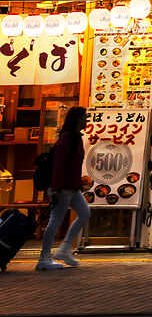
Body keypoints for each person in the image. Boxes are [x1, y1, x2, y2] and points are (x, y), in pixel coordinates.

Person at [33, 105, 91, 271]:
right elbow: (59, 165)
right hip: (62, 188)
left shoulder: (76, 138)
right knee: (55, 221)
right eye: (85, 117)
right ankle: (44, 258)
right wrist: (55, 187)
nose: (86, 121)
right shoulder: (67, 139)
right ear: (78, 119)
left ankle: (64, 249)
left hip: (72, 187)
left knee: (84, 213)